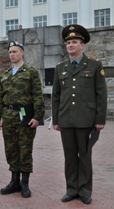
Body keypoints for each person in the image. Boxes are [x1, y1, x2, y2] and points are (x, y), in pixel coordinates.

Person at [52, 24, 107, 204]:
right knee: (69, 157)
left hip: (86, 119)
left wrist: (99, 120)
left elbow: (101, 94)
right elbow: (56, 96)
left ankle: (84, 190)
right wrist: (56, 119)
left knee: (84, 156)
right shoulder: (60, 68)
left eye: (74, 42)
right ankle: (71, 189)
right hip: (66, 119)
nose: (71, 45)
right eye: (68, 42)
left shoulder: (94, 65)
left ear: (82, 45)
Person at [0, 40, 45, 198]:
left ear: (22, 53)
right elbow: (0, 97)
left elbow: (37, 95)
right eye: (10, 52)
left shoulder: (30, 72)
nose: (12, 54)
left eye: (15, 51)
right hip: (9, 116)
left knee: (25, 149)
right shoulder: (5, 74)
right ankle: (14, 181)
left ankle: (25, 183)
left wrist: (37, 117)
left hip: (25, 116)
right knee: (11, 149)